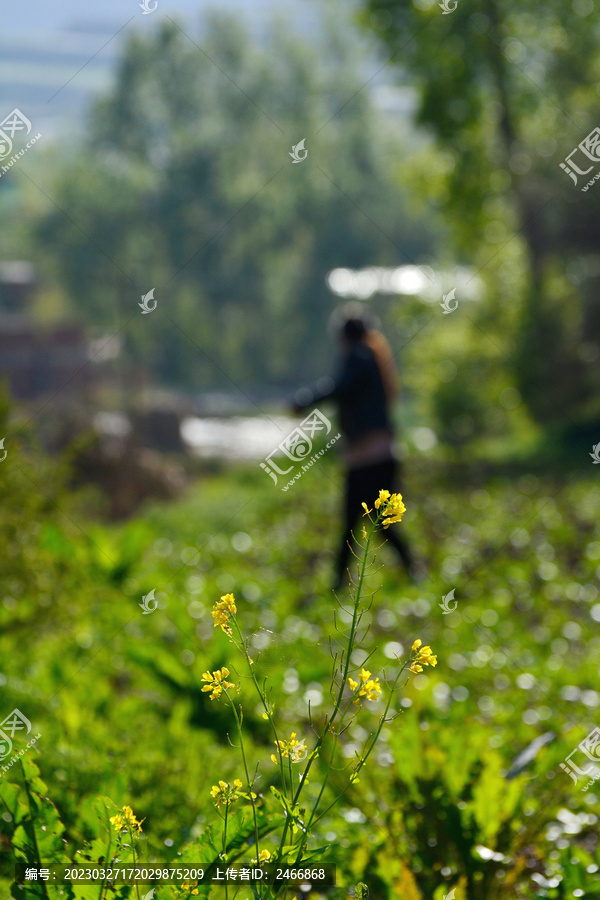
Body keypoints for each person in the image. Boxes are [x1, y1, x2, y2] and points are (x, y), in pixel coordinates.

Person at [293, 304, 416, 588]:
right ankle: (410, 571)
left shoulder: (359, 356)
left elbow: (338, 387)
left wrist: (303, 401)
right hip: (378, 454)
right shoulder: (371, 355)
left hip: (368, 458)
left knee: (362, 522)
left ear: (344, 336)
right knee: (377, 522)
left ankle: (340, 584)